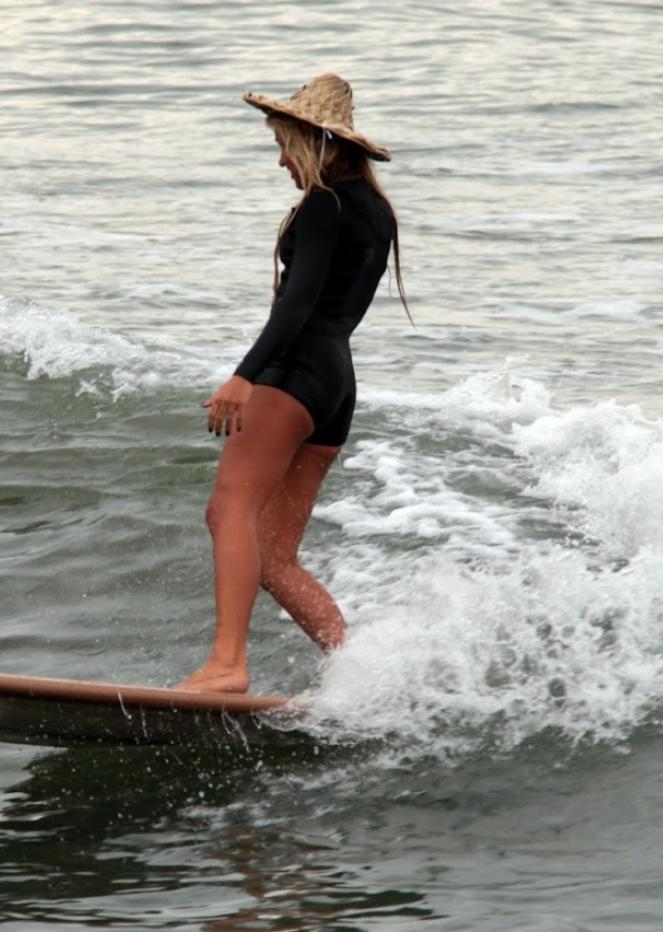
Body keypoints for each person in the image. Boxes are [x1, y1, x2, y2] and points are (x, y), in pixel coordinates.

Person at [180, 73, 408, 693]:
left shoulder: (323, 206)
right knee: (275, 556)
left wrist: (243, 377)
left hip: (294, 375)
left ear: (317, 141)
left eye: (285, 144)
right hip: (337, 386)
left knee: (229, 508)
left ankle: (227, 664)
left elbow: (297, 303)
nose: (282, 158)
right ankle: (362, 674)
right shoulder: (374, 209)